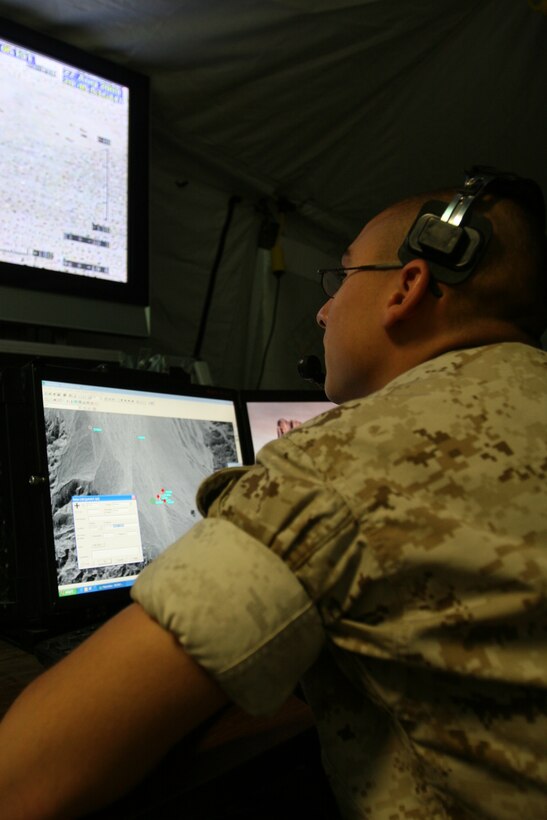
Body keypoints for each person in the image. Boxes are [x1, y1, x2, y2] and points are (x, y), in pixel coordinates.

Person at [1, 168, 546, 819]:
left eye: (341, 278)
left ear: (407, 286)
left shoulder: (346, 458)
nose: (322, 309)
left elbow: (29, 774)